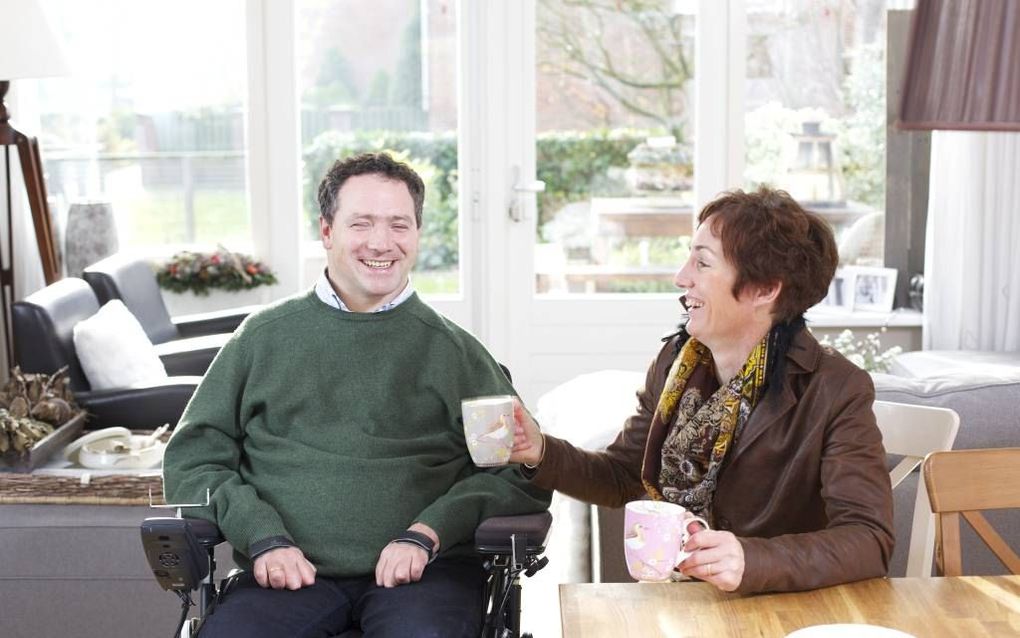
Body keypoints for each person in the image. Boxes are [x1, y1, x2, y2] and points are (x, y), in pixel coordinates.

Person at [163, 152, 550, 638]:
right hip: (283, 573)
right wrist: (260, 535)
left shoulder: (456, 353)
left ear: (417, 235)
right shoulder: (263, 339)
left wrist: (428, 533)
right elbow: (193, 461)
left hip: (426, 576)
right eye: (361, 223)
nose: (381, 243)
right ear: (327, 232)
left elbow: (518, 472)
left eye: (399, 225)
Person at [511, 186, 894, 594]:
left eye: (703, 263)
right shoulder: (677, 364)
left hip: (778, 609)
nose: (681, 277)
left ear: (764, 289)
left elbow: (869, 539)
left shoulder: (836, 388)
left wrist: (752, 560)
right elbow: (623, 476)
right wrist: (540, 451)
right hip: (681, 599)